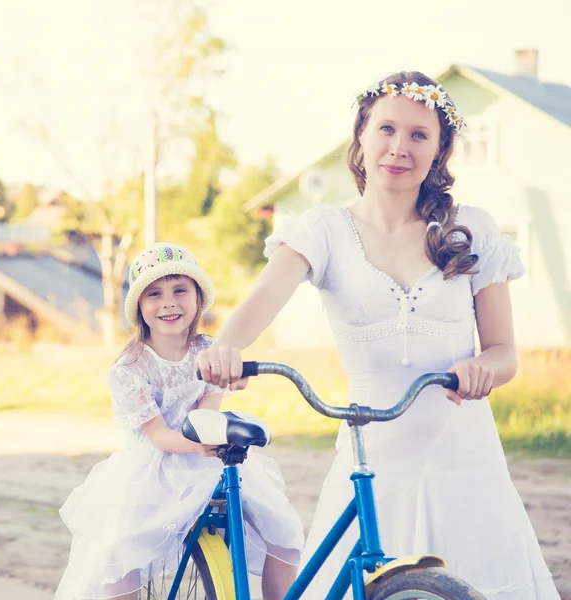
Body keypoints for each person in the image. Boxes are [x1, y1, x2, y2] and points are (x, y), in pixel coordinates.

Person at [197, 72, 561, 599]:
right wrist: (227, 349)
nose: (399, 147)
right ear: (361, 137)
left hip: (464, 452)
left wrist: (485, 368)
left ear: (439, 151)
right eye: (386, 129)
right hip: (372, 447)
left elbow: (505, 353)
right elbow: (260, 305)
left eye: (419, 135)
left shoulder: (473, 230)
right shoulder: (322, 230)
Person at [54, 242, 304, 600]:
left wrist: (222, 408)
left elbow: (207, 412)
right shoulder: (130, 369)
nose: (168, 302)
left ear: (198, 299)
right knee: (121, 549)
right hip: (155, 466)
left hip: (206, 456)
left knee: (281, 523)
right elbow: (157, 435)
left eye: (180, 290)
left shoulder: (210, 350)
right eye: (154, 294)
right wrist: (202, 446)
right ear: (139, 307)